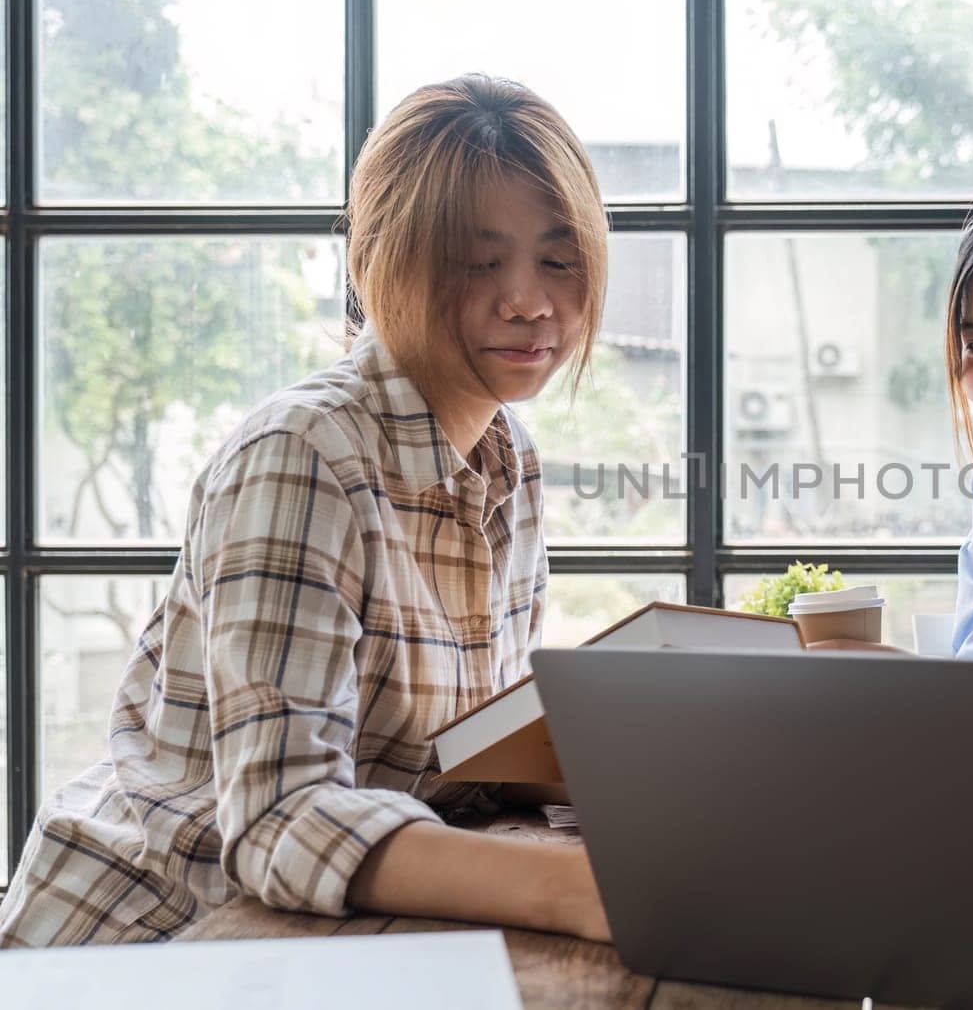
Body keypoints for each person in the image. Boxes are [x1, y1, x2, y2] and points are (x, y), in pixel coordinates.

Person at [0, 75, 613, 946]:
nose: (528, 299)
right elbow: (282, 818)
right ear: (382, 259)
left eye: (558, 258)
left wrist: (638, 772)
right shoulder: (305, 451)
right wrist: (576, 887)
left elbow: (455, 762)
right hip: (139, 939)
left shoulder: (507, 459)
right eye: (480, 261)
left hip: (293, 946)